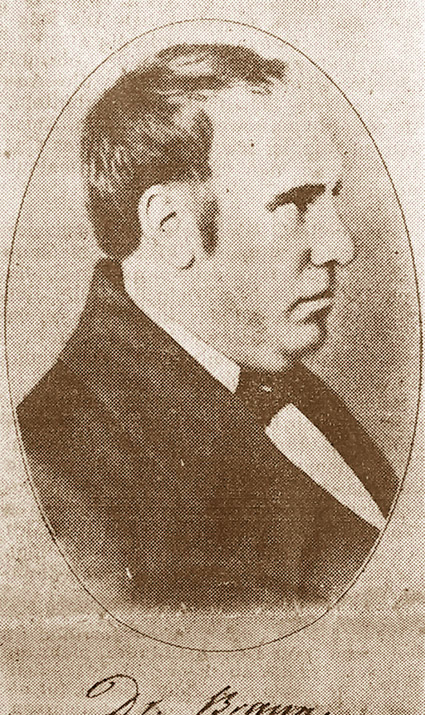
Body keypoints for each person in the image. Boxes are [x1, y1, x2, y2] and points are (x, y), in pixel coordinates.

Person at [17, 43, 398, 611]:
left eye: (332, 200)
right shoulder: (56, 469)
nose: (339, 245)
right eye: (295, 204)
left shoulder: (281, 384)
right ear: (171, 227)